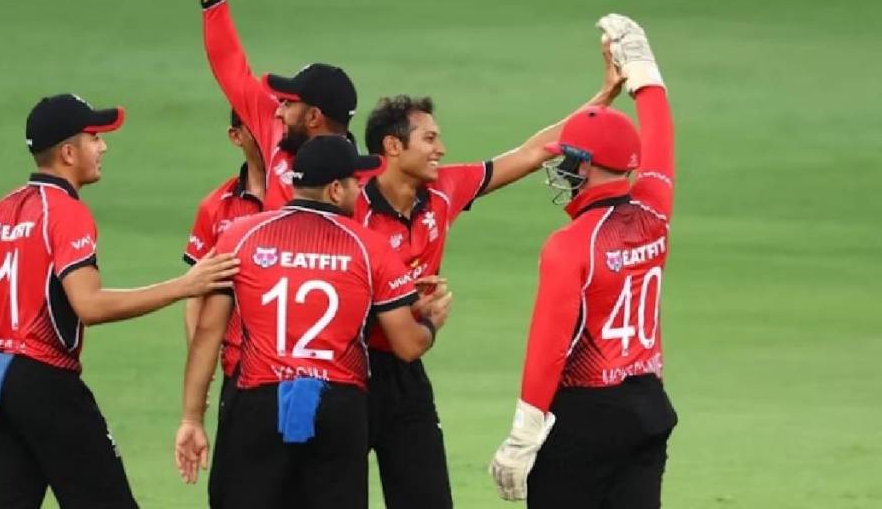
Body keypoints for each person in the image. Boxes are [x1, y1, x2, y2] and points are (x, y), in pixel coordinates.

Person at [357, 43, 625, 508]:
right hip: (346, 371)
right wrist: (401, 306)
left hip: (405, 373)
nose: (441, 149)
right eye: (429, 139)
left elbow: (533, 151)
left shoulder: (445, 188)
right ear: (393, 147)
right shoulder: (350, 204)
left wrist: (602, 99)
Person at [0, 93, 240, 508]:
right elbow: (89, 305)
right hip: (46, 381)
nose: (103, 147)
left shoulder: (3, 211)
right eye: (95, 138)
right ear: (68, 153)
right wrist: (185, 285)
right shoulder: (67, 212)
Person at [174, 135, 453, 509]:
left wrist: (192, 418)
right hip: (337, 407)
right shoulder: (370, 247)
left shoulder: (240, 237)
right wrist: (431, 323)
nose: (361, 191)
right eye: (356, 183)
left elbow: (208, 332)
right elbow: (407, 345)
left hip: (257, 402)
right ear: (336, 190)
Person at [489, 14, 678, 509]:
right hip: (648, 407)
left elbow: (549, 347)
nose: (563, 166)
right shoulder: (654, 210)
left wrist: (522, 436)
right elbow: (660, 134)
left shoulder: (570, 245)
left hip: (584, 417)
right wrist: (642, 68)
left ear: (586, 165)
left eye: (569, 157)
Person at [196, 0, 359, 209]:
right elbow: (229, 65)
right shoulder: (278, 132)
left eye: (288, 104)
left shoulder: (357, 183)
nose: (279, 111)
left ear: (313, 117)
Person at [180, 108, 265, 505]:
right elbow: (196, 294)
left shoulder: (302, 196)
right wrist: (203, 369)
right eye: (255, 123)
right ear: (236, 137)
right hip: (240, 374)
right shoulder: (216, 208)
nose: (267, 129)